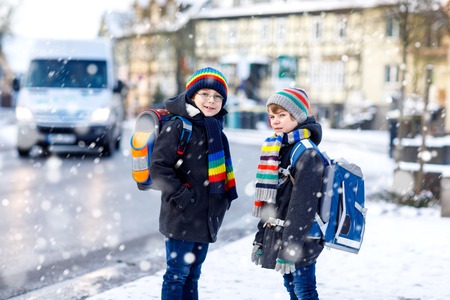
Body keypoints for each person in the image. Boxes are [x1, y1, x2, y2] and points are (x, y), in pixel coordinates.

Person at [149, 67, 238, 300]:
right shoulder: (179, 126)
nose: (211, 100)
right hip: (181, 215)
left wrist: (220, 202)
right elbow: (158, 168)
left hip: (206, 217)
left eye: (218, 96)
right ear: (192, 95)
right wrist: (180, 194)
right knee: (176, 274)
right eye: (205, 94)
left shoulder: (216, 129)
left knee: (193, 274)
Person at [251, 87, 325, 300]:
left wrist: (290, 249)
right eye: (272, 116)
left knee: (304, 290)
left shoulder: (307, 153)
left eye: (282, 115)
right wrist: (260, 239)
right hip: (283, 235)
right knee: (291, 286)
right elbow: (270, 199)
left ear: (298, 116)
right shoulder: (277, 149)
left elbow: (303, 205)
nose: (275, 120)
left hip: (302, 237)